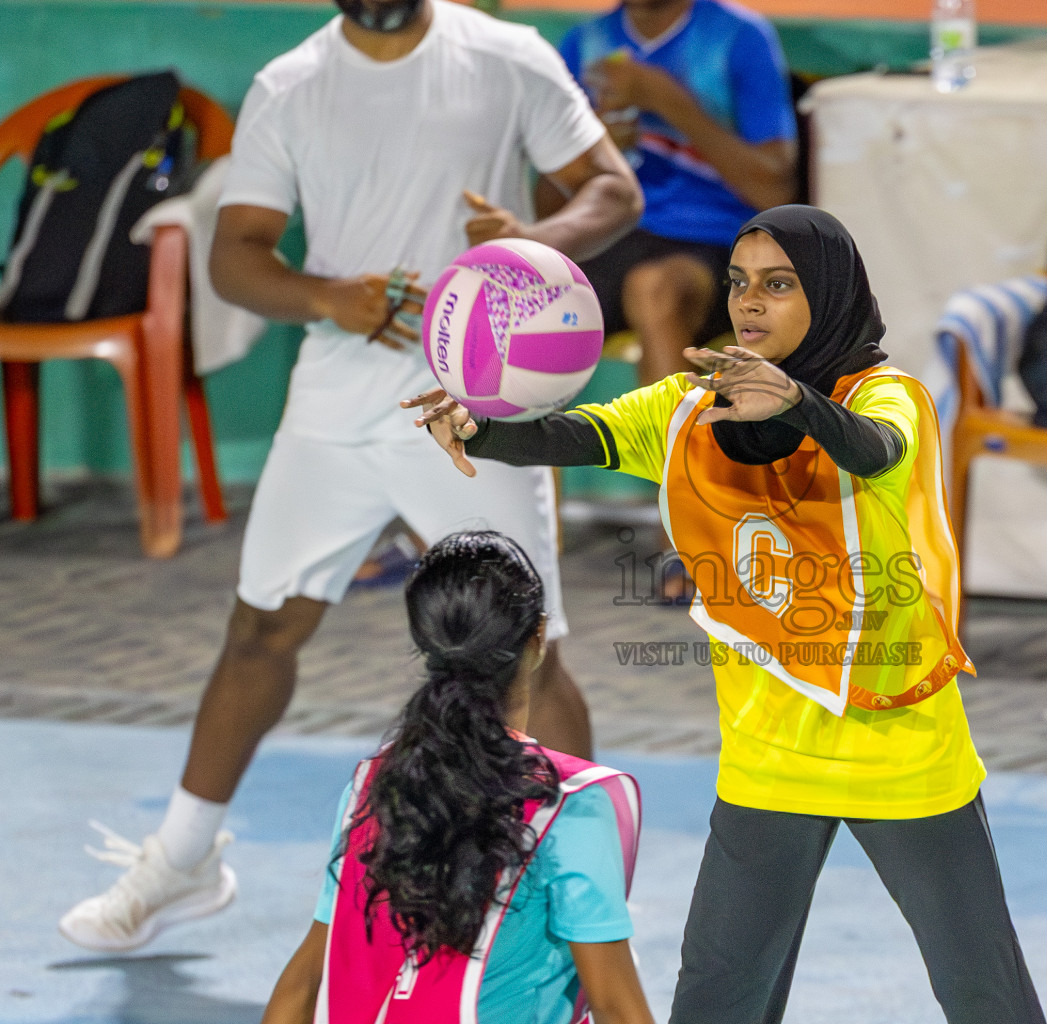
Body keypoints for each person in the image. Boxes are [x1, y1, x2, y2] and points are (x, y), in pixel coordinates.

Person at [58, 0, 643, 953]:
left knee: (528, 649)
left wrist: (534, 241)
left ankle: (581, 897)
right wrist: (329, 296)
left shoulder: (506, 55)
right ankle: (183, 857)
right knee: (261, 626)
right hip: (335, 399)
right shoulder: (289, 85)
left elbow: (613, 191)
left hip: (474, 403)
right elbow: (237, 257)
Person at [408, 205, 1047, 1023]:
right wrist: (481, 427)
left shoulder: (893, 399)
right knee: (717, 996)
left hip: (900, 750)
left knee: (984, 993)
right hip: (767, 758)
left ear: (828, 294)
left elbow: (873, 448)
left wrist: (796, 406)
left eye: (779, 286)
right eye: (740, 284)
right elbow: (574, 436)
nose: (750, 303)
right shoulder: (686, 407)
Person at [259, 531, 652, 1024]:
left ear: (428, 645)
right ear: (538, 638)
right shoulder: (572, 806)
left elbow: (302, 985)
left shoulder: (374, 785)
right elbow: (618, 1009)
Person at [556, 0, 798, 388]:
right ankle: (497, 446)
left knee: (654, 289)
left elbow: (773, 191)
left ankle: (671, 446)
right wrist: (593, 150)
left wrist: (666, 100)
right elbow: (551, 205)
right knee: (530, 294)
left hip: (715, 240)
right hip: (611, 233)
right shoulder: (584, 43)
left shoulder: (738, 37)